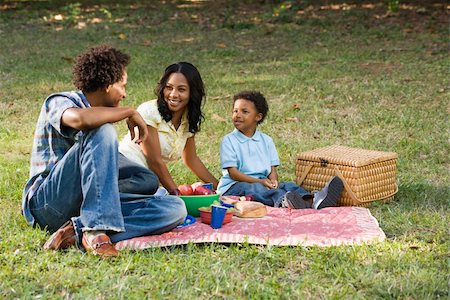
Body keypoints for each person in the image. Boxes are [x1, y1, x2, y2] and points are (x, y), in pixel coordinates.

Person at [22, 45, 187, 257]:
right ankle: (96, 231)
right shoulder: (59, 101)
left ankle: (77, 230)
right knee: (103, 130)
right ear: (108, 84)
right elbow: (81, 119)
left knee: (172, 206)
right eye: (123, 85)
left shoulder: (102, 119)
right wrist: (128, 112)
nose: (125, 94)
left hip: (82, 208)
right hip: (47, 205)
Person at [216, 91, 343, 209]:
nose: (237, 115)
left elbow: (272, 170)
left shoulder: (266, 140)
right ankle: (284, 202)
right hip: (234, 186)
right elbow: (233, 174)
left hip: (262, 182)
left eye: (244, 111)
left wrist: (273, 180)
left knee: (288, 185)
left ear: (258, 117)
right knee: (256, 189)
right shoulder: (229, 141)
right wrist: (260, 181)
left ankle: (313, 200)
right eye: (235, 111)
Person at [119, 62, 219, 195]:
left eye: (181, 89)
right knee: (164, 198)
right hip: (126, 173)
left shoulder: (187, 119)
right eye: (169, 87)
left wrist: (220, 188)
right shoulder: (149, 111)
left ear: (192, 93)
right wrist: (177, 194)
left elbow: (191, 159)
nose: (173, 94)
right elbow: (154, 161)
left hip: (147, 181)